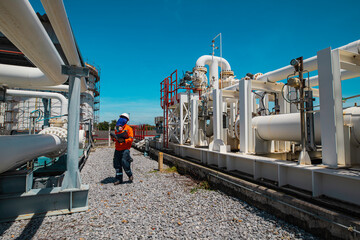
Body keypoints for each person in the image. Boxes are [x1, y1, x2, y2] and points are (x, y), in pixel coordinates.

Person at [112, 113, 134, 185]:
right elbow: (116, 137)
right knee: (117, 164)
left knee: (124, 162)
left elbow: (131, 139)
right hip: (117, 149)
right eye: (121, 117)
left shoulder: (129, 129)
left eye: (124, 118)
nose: (122, 119)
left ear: (127, 121)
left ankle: (130, 175)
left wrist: (124, 140)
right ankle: (119, 179)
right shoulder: (117, 128)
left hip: (125, 149)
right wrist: (114, 139)